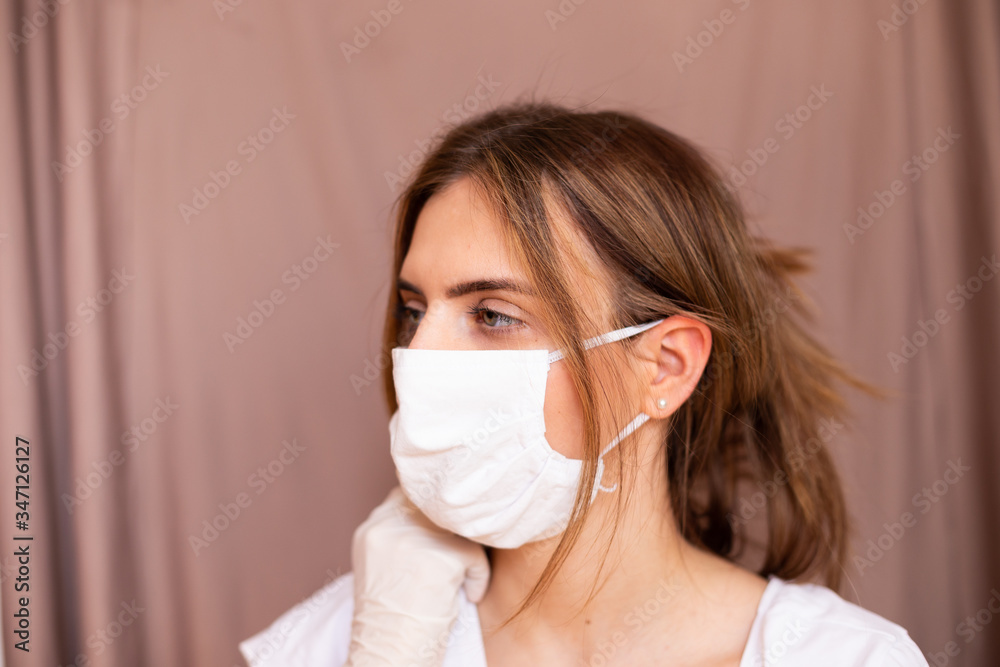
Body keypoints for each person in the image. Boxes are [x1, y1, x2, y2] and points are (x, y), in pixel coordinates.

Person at [239, 101, 929, 666]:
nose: (419, 353)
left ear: (664, 366)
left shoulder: (849, 657)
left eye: (492, 314)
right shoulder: (329, 645)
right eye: (415, 310)